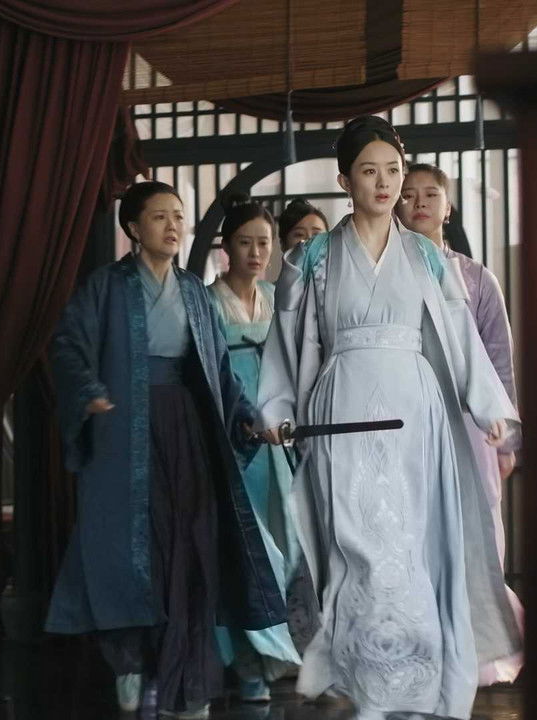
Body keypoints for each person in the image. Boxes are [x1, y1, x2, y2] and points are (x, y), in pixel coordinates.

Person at [256, 116, 522, 720]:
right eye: (369, 171)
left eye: (393, 171)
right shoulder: (311, 257)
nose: (384, 183)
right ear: (345, 181)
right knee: (358, 547)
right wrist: (276, 407)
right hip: (342, 406)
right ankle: (372, 689)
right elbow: (286, 339)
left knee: (411, 547)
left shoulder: (425, 255)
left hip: (415, 414)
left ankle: (416, 686)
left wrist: (488, 406)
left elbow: (459, 334)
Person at [45, 181, 286, 719]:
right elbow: (66, 344)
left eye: (178, 216)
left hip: (187, 426)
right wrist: (88, 391)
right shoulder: (106, 286)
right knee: (129, 546)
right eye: (159, 217)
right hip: (125, 427)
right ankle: (130, 661)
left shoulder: (195, 292)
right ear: (133, 228)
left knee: (192, 544)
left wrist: (249, 417)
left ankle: (186, 681)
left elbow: (220, 371)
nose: (173, 226)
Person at [398, 162, 524, 685]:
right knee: (412, 531)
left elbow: (498, 360)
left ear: (448, 206)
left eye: (430, 194)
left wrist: (507, 436)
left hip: (470, 424)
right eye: (409, 194)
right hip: (405, 420)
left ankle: (477, 648)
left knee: (478, 531)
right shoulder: (384, 273)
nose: (419, 203)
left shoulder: (476, 278)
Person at [206, 193, 302, 702]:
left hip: (276, 438)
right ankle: (244, 662)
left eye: (264, 243)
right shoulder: (207, 301)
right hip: (233, 437)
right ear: (226, 247)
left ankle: (272, 656)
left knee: (287, 540)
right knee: (244, 545)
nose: (256, 253)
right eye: (245, 243)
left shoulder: (276, 298)